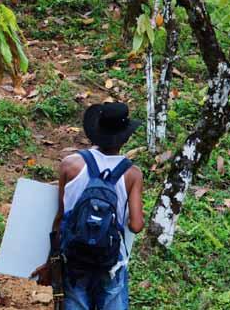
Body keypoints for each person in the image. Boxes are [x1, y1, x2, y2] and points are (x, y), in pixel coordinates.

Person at [32, 102, 145, 310]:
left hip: (75, 256)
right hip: (110, 260)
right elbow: (136, 225)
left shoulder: (70, 164)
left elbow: (60, 219)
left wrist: (51, 263)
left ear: (96, 131)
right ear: (125, 137)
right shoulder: (132, 174)